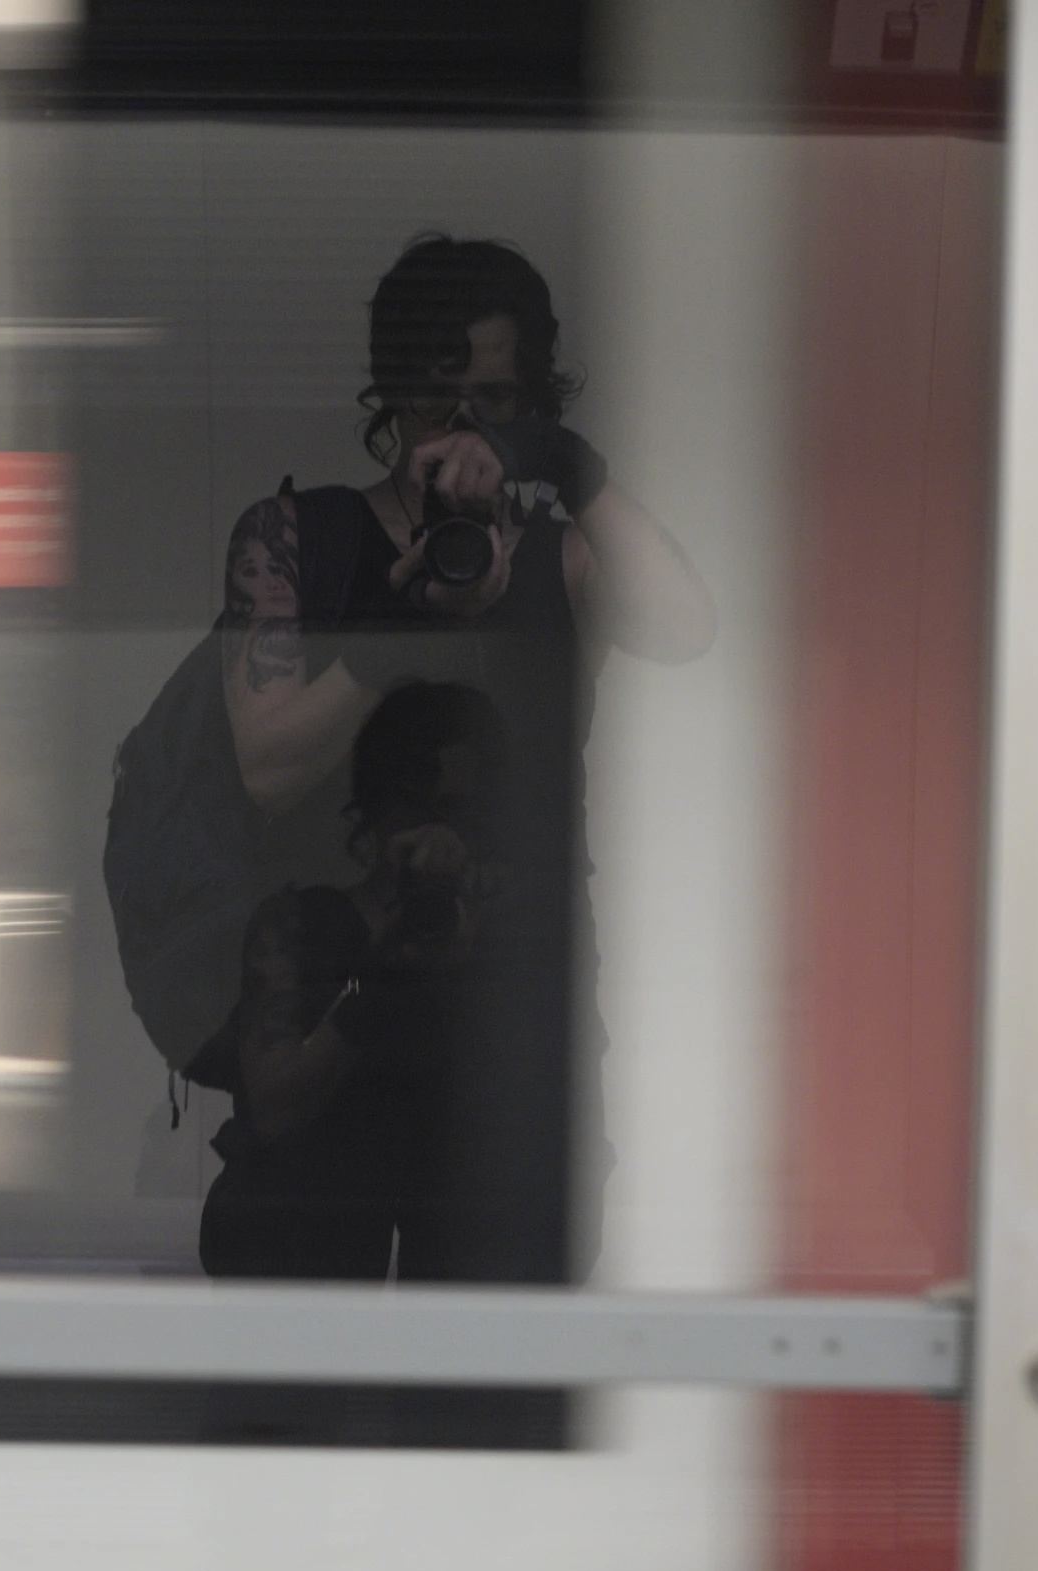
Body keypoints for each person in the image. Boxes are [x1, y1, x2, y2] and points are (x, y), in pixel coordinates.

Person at [209, 234, 716, 1280]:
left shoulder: (564, 557)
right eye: (444, 404)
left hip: (511, 1012)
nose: (466, 436)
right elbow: (266, 766)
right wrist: (403, 633)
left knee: (495, 1378)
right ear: (391, 396)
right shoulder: (301, 538)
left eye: (497, 403)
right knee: (303, 1362)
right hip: (331, 1002)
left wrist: (563, 468)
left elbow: (687, 624)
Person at [196, 681, 527, 1281]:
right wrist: (383, 978)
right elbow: (273, 1109)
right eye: (417, 805)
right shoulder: (300, 927)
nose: (436, 835)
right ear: (375, 807)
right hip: (306, 1275)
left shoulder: (512, 939)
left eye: (460, 811)